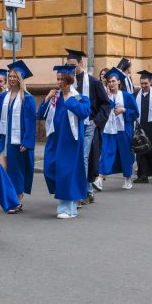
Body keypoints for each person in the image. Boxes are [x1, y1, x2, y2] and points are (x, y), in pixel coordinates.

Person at [39, 65, 91, 218]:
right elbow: (41, 114)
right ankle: (71, 203)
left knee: (66, 173)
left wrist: (70, 100)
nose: (59, 82)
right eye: (58, 79)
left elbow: (85, 112)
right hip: (55, 139)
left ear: (69, 80)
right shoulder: (55, 97)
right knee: (49, 168)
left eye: (62, 79)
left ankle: (66, 208)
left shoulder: (78, 97)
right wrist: (46, 98)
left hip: (70, 141)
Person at [66, 49, 111, 201]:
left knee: (84, 158)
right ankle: (88, 190)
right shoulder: (68, 82)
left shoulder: (93, 82)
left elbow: (106, 104)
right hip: (73, 125)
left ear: (81, 63)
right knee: (78, 158)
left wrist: (97, 121)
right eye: (68, 65)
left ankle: (83, 192)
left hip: (89, 125)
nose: (70, 68)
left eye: (73, 65)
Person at [0, 60, 36, 209]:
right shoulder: (3, 97)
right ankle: (9, 196)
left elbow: (31, 122)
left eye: (15, 76)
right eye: (10, 76)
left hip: (18, 140)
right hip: (5, 138)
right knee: (2, 169)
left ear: (20, 79)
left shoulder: (27, 98)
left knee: (17, 170)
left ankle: (17, 200)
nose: (12, 79)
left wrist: (27, 142)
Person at [97, 68, 138, 190]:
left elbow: (136, 113)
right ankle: (99, 179)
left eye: (113, 81)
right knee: (106, 152)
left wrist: (123, 110)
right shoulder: (105, 97)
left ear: (119, 82)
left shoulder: (127, 96)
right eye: (109, 81)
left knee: (126, 154)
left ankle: (128, 179)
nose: (111, 84)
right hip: (109, 130)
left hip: (124, 130)